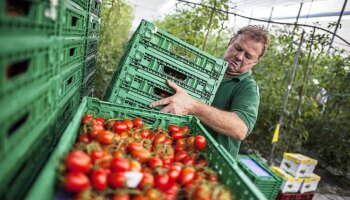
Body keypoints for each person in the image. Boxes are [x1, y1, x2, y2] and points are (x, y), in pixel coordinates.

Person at [149, 25, 270, 159]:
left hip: (211, 161)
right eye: (238, 48)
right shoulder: (206, 69)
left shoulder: (247, 88)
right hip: (177, 148)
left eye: (248, 56)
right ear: (230, 42)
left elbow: (240, 129)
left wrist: (193, 107)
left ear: (255, 62)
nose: (240, 57)